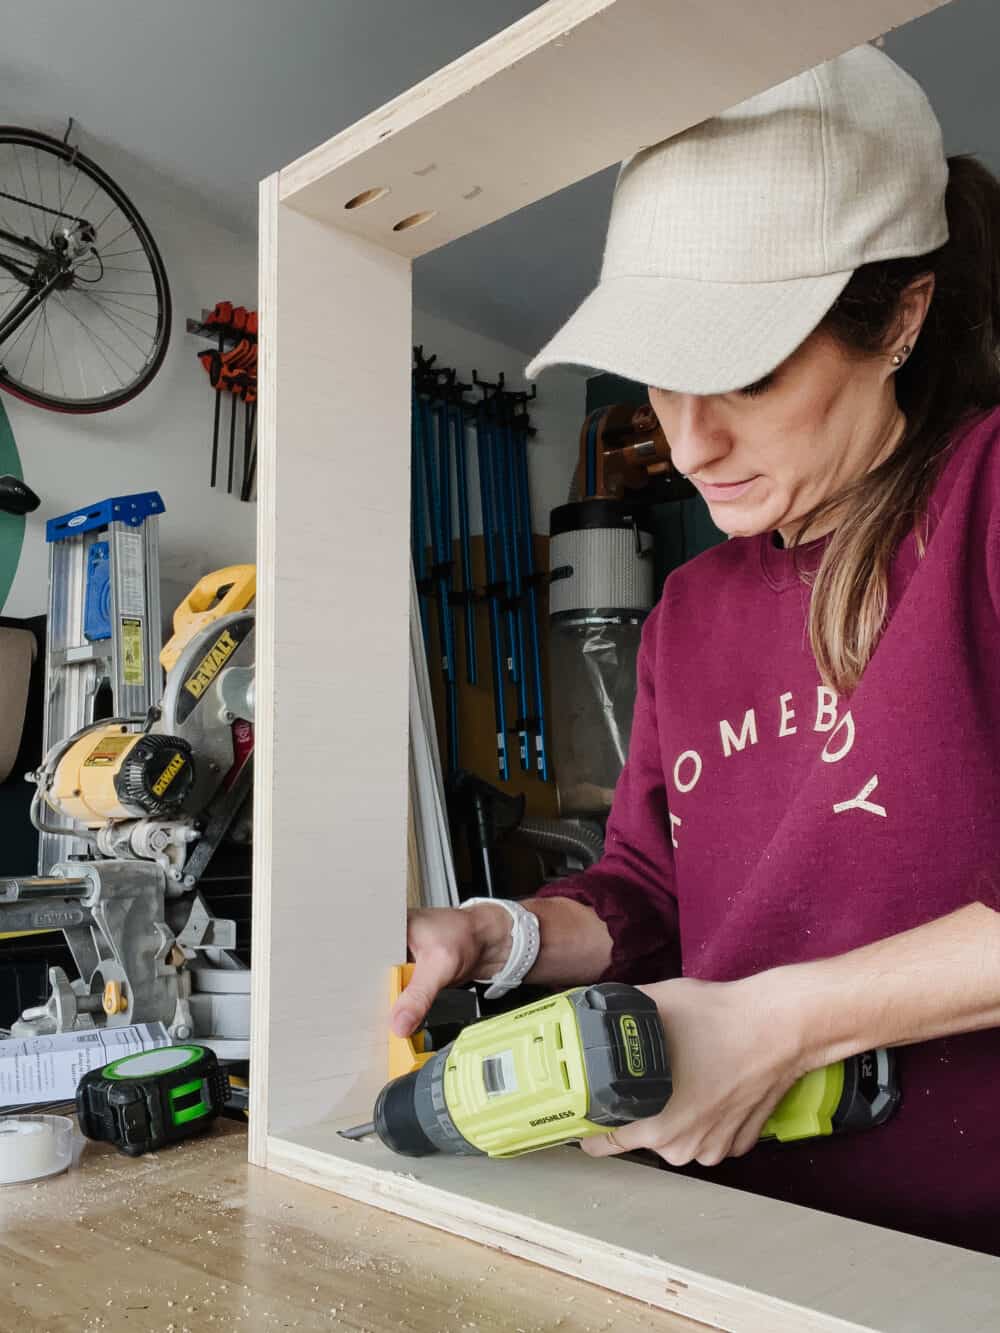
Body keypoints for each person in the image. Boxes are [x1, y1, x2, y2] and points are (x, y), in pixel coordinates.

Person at [393, 44, 1000, 1256]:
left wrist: (783, 1021)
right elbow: (653, 895)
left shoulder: (986, 502)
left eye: (747, 374)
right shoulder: (689, 607)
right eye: (663, 382)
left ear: (901, 319)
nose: (690, 439)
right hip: (724, 1235)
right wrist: (504, 935)